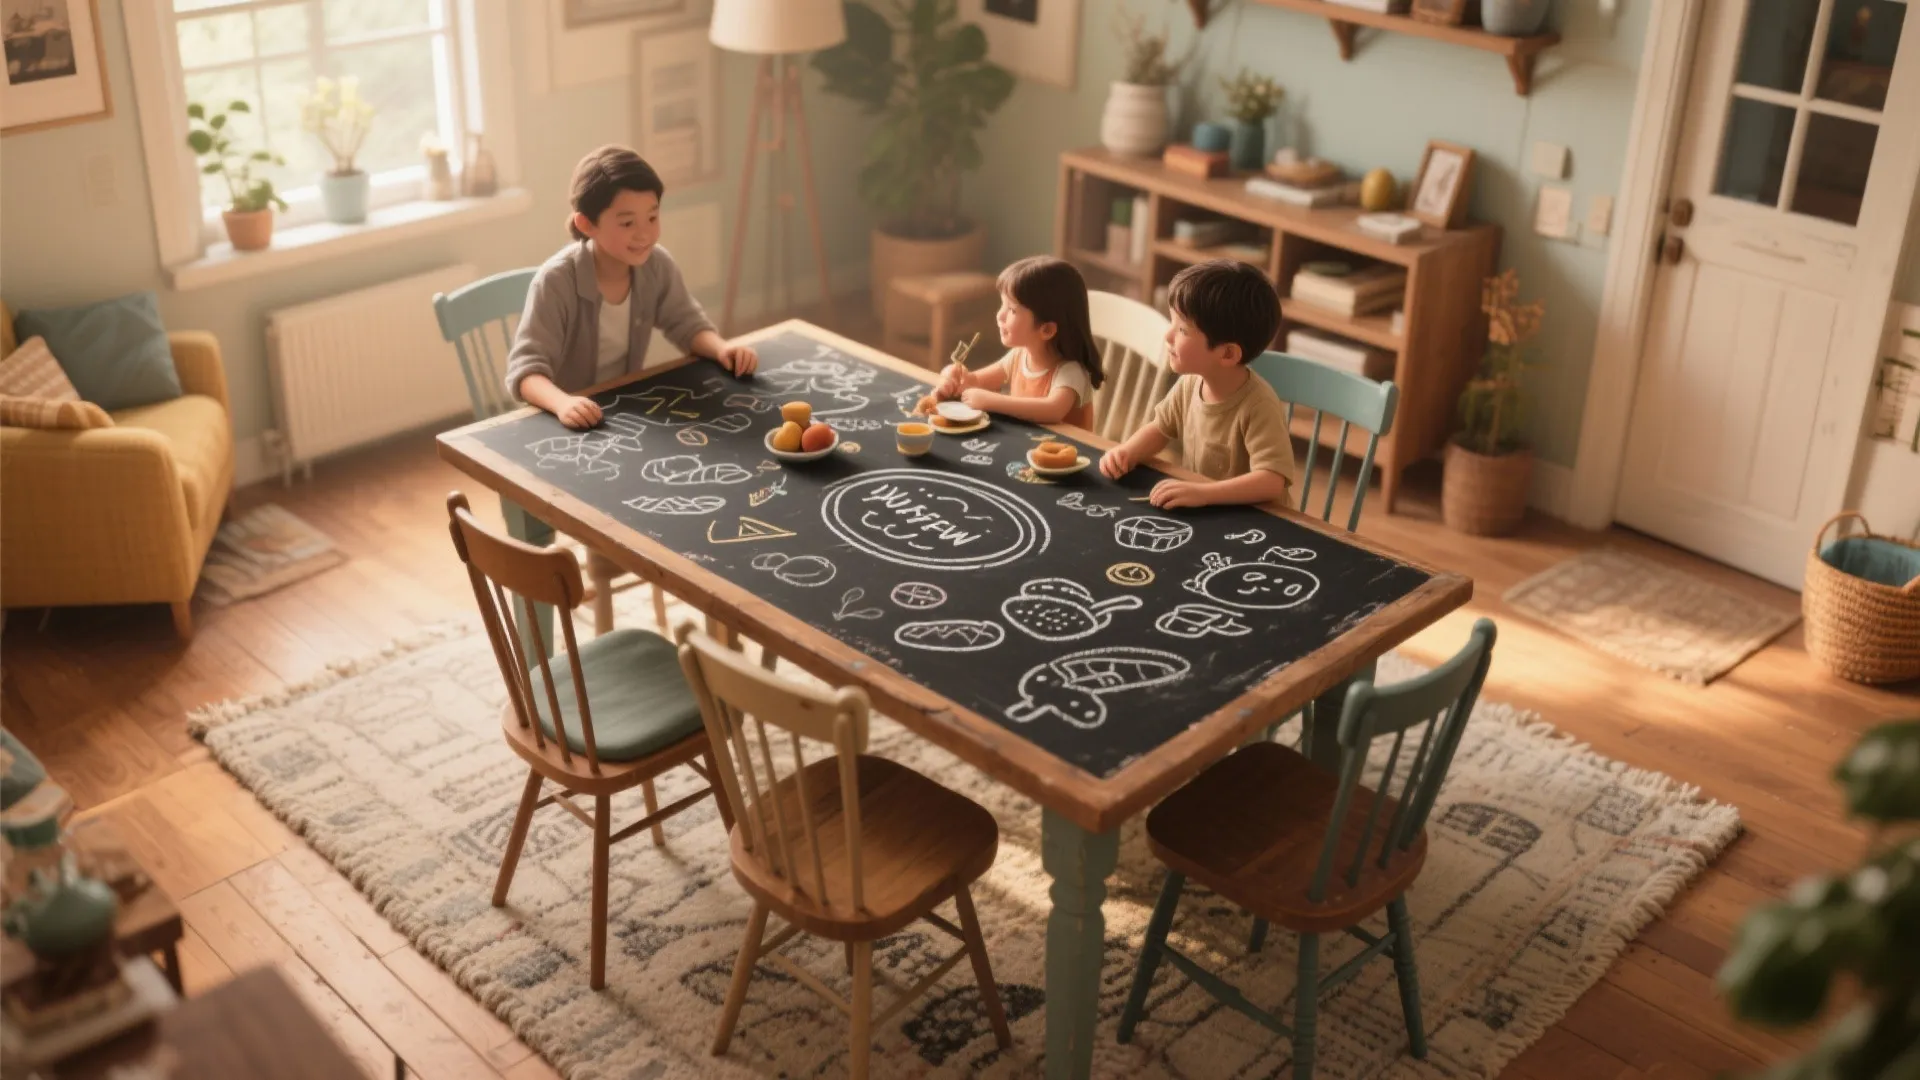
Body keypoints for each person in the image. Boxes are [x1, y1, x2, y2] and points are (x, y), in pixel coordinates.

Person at [504, 145, 759, 430]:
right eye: (627, 223)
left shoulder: (656, 265)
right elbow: (526, 372)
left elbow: (685, 322)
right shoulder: (555, 282)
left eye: (652, 217)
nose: (645, 234)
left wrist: (722, 348)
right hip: (562, 420)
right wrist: (565, 403)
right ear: (587, 224)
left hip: (622, 412)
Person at [1098, 259, 1294, 509]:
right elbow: (1160, 428)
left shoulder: (1259, 405)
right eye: (1172, 323)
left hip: (1257, 519)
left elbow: (1271, 481)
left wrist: (1204, 494)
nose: (1168, 336)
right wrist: (1128, 452)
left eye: (1182, 330)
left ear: (1227, 354)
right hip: (1209, 508)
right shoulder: (1189, 384)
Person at [934, 256, 1103, 427]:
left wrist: (991, 401)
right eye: (1002, 305)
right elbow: (975, 381)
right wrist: (951, 376)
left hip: (1071, 451)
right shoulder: (1018, 357)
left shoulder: (1070, 371)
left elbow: (1052, 410)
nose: (1000, 315)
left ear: (1047, 330)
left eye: (1012, 310)